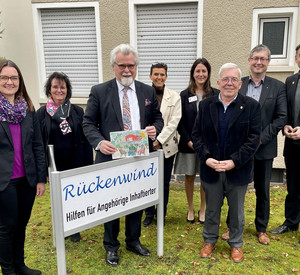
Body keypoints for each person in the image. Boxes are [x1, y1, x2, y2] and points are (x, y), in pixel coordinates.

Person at [83, 44, 163, 267]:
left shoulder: (147, 91)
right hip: (110, 158)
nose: (126, 70)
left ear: (136, 67)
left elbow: (158, 118)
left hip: (138, 157)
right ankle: (111, 246)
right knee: (111, 204)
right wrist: (99, 142)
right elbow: (88, 122)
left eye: (131, 65)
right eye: (122, 65)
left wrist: (154, 129)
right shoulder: (99, 91)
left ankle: (133, 240)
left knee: (136, 200)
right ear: (113, 67)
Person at [192, 63, 261, 263]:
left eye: (233, 80)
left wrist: (234, 161)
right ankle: (209, 240)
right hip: (211, 168)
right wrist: (206, 158)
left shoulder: (252, 107)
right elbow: (196, 135)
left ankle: (236, 244)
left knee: (237, 211)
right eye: (225, 79)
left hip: (237, 170)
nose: (229, 83)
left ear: (240, 84)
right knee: (212, 208)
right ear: (218, 82)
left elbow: (254, 139)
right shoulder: (205, 105)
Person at [221, 44, 287, 245]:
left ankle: (261, 228)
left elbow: (281, 117)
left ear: (268, 62)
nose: (259, 62)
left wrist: (259, 138)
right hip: (238, 149)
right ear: (249, 60)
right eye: (255, 58)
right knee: (235, 187)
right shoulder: (239, 83)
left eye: (263, 59)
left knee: (262, 190)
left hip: (263, 148)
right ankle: (232, 226)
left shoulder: (277, 87)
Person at [0, 59, 47, 275]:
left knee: (21, 225)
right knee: (7, 227)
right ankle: (8, 269)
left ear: (20, 81)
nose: (9, 82)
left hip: (27, 179)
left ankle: (20, 265)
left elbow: (38, 145)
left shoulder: (28, 110)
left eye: (14, 78)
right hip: (4, 180)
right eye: (4, 77)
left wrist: (40, 177)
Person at [36, 72, 93, 242]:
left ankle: (74, 228)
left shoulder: (76, 111)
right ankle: (61, 228)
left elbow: (85, 139)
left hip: (75, 161)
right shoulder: (41, 113)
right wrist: (43, 169)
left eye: (62, 87)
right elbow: (38, 143)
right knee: (58, 198)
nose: (59, 90)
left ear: (67, 90)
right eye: (55, 87)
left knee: (74, 197)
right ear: (49, 89)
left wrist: (87, 165)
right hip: (54, 164)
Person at [174, 58, 218, 223]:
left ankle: (202, 209)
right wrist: (189, 141)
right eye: (198, 71)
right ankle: (191, 208)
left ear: (208, 73)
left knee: (206, 177)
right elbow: (180, 121)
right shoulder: (184, 95)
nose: (201, 74)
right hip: (189, 145)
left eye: (204, 71)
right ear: (193, 73)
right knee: (190, 176)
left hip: (208, 146)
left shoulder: (215, 94)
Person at [143, 63, 181, 227]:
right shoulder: (142, 94)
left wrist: (159, 140)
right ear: (150, 76)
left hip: (166, 146)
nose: (159, 77)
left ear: (166, 76)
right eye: (156, 74)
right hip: (146, 146)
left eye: (162, 74)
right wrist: (151, 141)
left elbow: (174, 122)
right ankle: (149, 214)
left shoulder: (174, 96)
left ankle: (161, 214)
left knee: (163, 183)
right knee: (147, 182)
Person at [269, 44, 300, 236]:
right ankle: (291, 222)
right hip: (293, 145)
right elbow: (285, 110)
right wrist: (286, 125)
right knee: (294, 186)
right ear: (296, 59)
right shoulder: (291, 81)